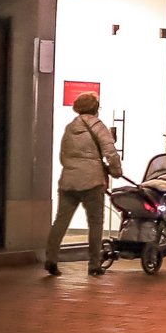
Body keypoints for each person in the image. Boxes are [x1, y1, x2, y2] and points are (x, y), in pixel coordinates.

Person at [43, 92, 124, 277]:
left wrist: (73, 167)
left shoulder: (70, 128)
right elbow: (110, 152)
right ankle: (94, 264)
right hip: (92, 181)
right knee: (95, 222)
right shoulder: (98, 126)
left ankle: (51, 258)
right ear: (95, 107)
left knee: (60, 221)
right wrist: (116, 171)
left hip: (68, 181)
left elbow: (63, 156)